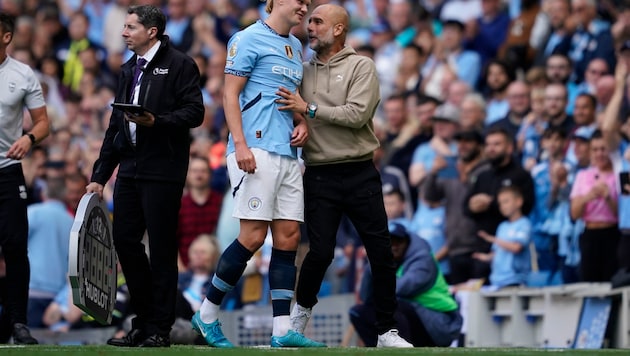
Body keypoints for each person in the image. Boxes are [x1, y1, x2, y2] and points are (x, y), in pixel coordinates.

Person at [276, 4, 413, 348]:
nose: (310, 27)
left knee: (380, 252)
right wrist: (299, 121)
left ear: (338, 29)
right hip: (319, 174)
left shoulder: (361, 66)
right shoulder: (301, 70)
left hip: (359, 172)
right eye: (310, 21)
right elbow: (286, 110)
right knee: (319, 253)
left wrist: (306, 109)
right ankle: (297, 322)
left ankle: (385, 332)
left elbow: (355, 114)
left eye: (318, 22)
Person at [191, 0, 325, 349]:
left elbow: (288, 97)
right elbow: (230, 94)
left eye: (308, 3)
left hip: (287, 152)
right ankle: (206, 315)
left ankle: (282, 329)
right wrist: (240, 143)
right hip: (255, 149)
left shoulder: (296, 46)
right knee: (252, 237)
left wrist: (302, 123)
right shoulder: (246, 38)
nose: (304, 7)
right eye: (299, 1)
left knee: (289, 236)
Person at [86, 5, 204, 348]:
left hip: (163, 169)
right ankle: (144, 319)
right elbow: (114, 126)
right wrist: (100, 175)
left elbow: (195, 112)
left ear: (151, 31)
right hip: (131, 167)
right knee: (124, 240)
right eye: (124, 26)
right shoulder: (128, 69)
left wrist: (158, 121)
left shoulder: (180, 64)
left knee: (163, 249)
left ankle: (159, 327)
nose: (123, 33)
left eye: (130, 27)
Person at [0, 12, 50, 345]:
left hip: (7, 170)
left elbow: (43, 122)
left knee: (16, 246)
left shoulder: (22, 74)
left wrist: (30, 138)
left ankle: (17, 322)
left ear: (6, 37)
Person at [349, 222, 462, 347]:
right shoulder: (386, 259)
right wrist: (372, 264)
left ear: (407, 241)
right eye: (388, 242)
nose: (393, 246)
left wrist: (378, 266)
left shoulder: (423, 260)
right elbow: (366, 297)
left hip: (440, 324)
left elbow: (398, 289)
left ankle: (404, 351)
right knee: (358, 312)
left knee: (391, 305)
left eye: (398, 241)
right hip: (415, 317)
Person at [473, 186, 532, 288]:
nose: (502, 206)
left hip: (514, 280)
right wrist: (485, 257)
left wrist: (493, 239)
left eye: (506, 202)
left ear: (519, 201)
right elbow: (496, 254)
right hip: (497, 281)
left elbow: (517, 248)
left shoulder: (524, 223)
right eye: (500, 203)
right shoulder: (502, 226)